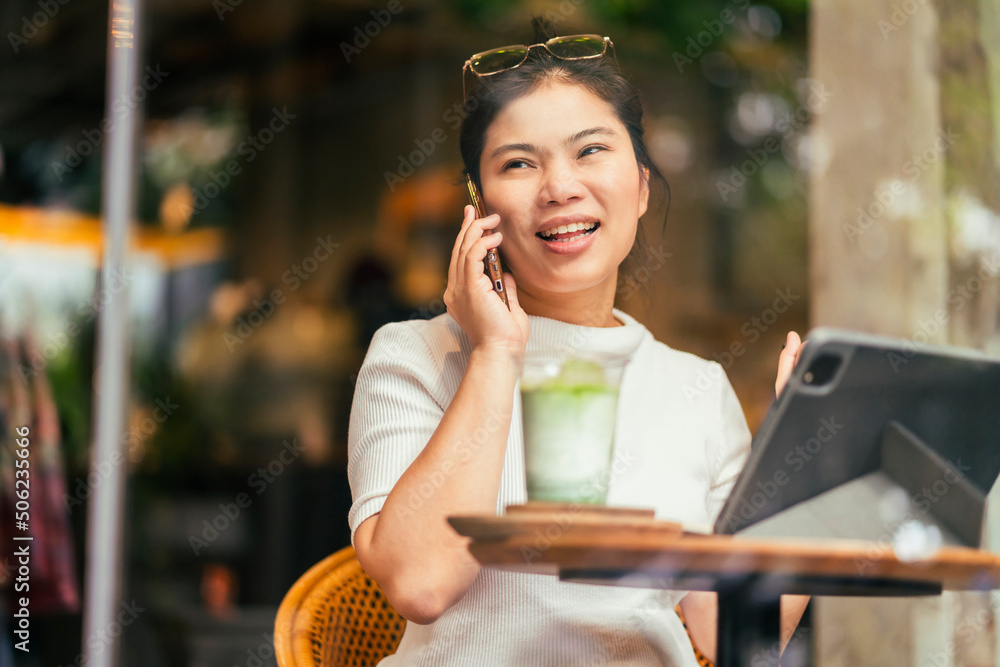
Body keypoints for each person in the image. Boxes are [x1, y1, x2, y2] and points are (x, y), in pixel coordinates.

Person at [348, 21, 806, 665]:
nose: (559, 187)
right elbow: (421, 583)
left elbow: (729, 634)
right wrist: (496, 354)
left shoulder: (696, 388)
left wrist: (803, 470)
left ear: (642, 185)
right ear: (478, 210)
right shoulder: (413, 356)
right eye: (518, 163)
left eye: (590, 150)